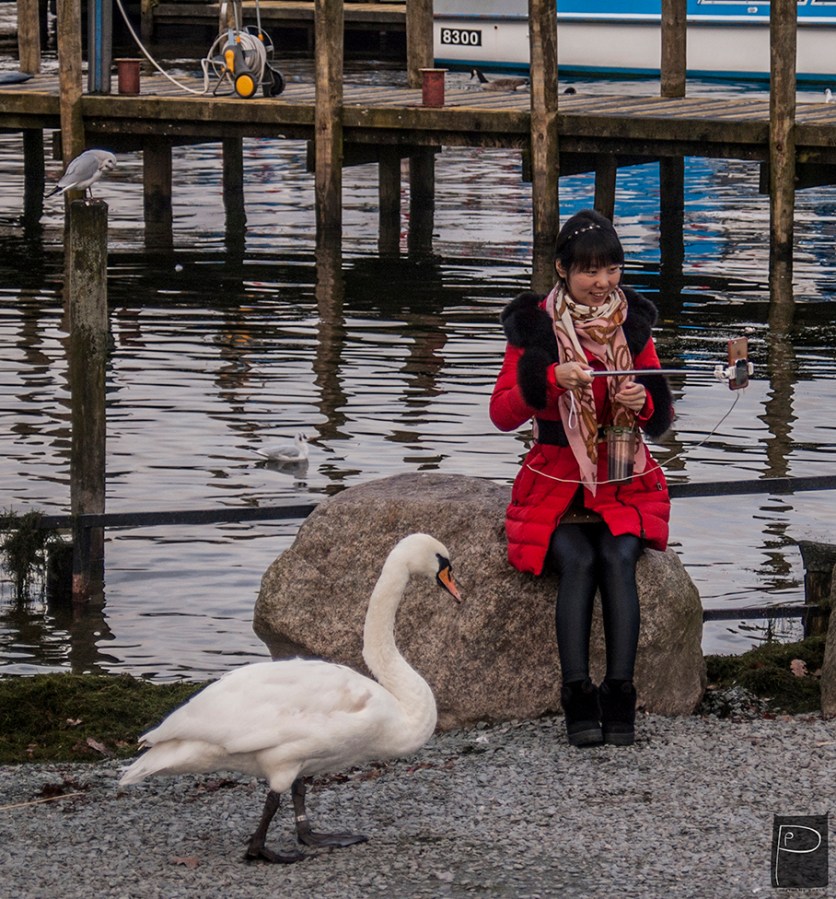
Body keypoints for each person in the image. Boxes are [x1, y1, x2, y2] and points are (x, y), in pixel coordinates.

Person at [489, 209, 674, 747]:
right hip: (554, 481)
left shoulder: (631, 324)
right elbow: (501, 414)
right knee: (579, 560)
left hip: (620, 477)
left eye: (612, 269)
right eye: (590, 271)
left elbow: (660, 416)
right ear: (562, 270)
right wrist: (550, 378)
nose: (603, 282)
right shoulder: (535, 327)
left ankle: (620, 693)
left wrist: (640, 401)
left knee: (618, 557)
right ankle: (576, 693)